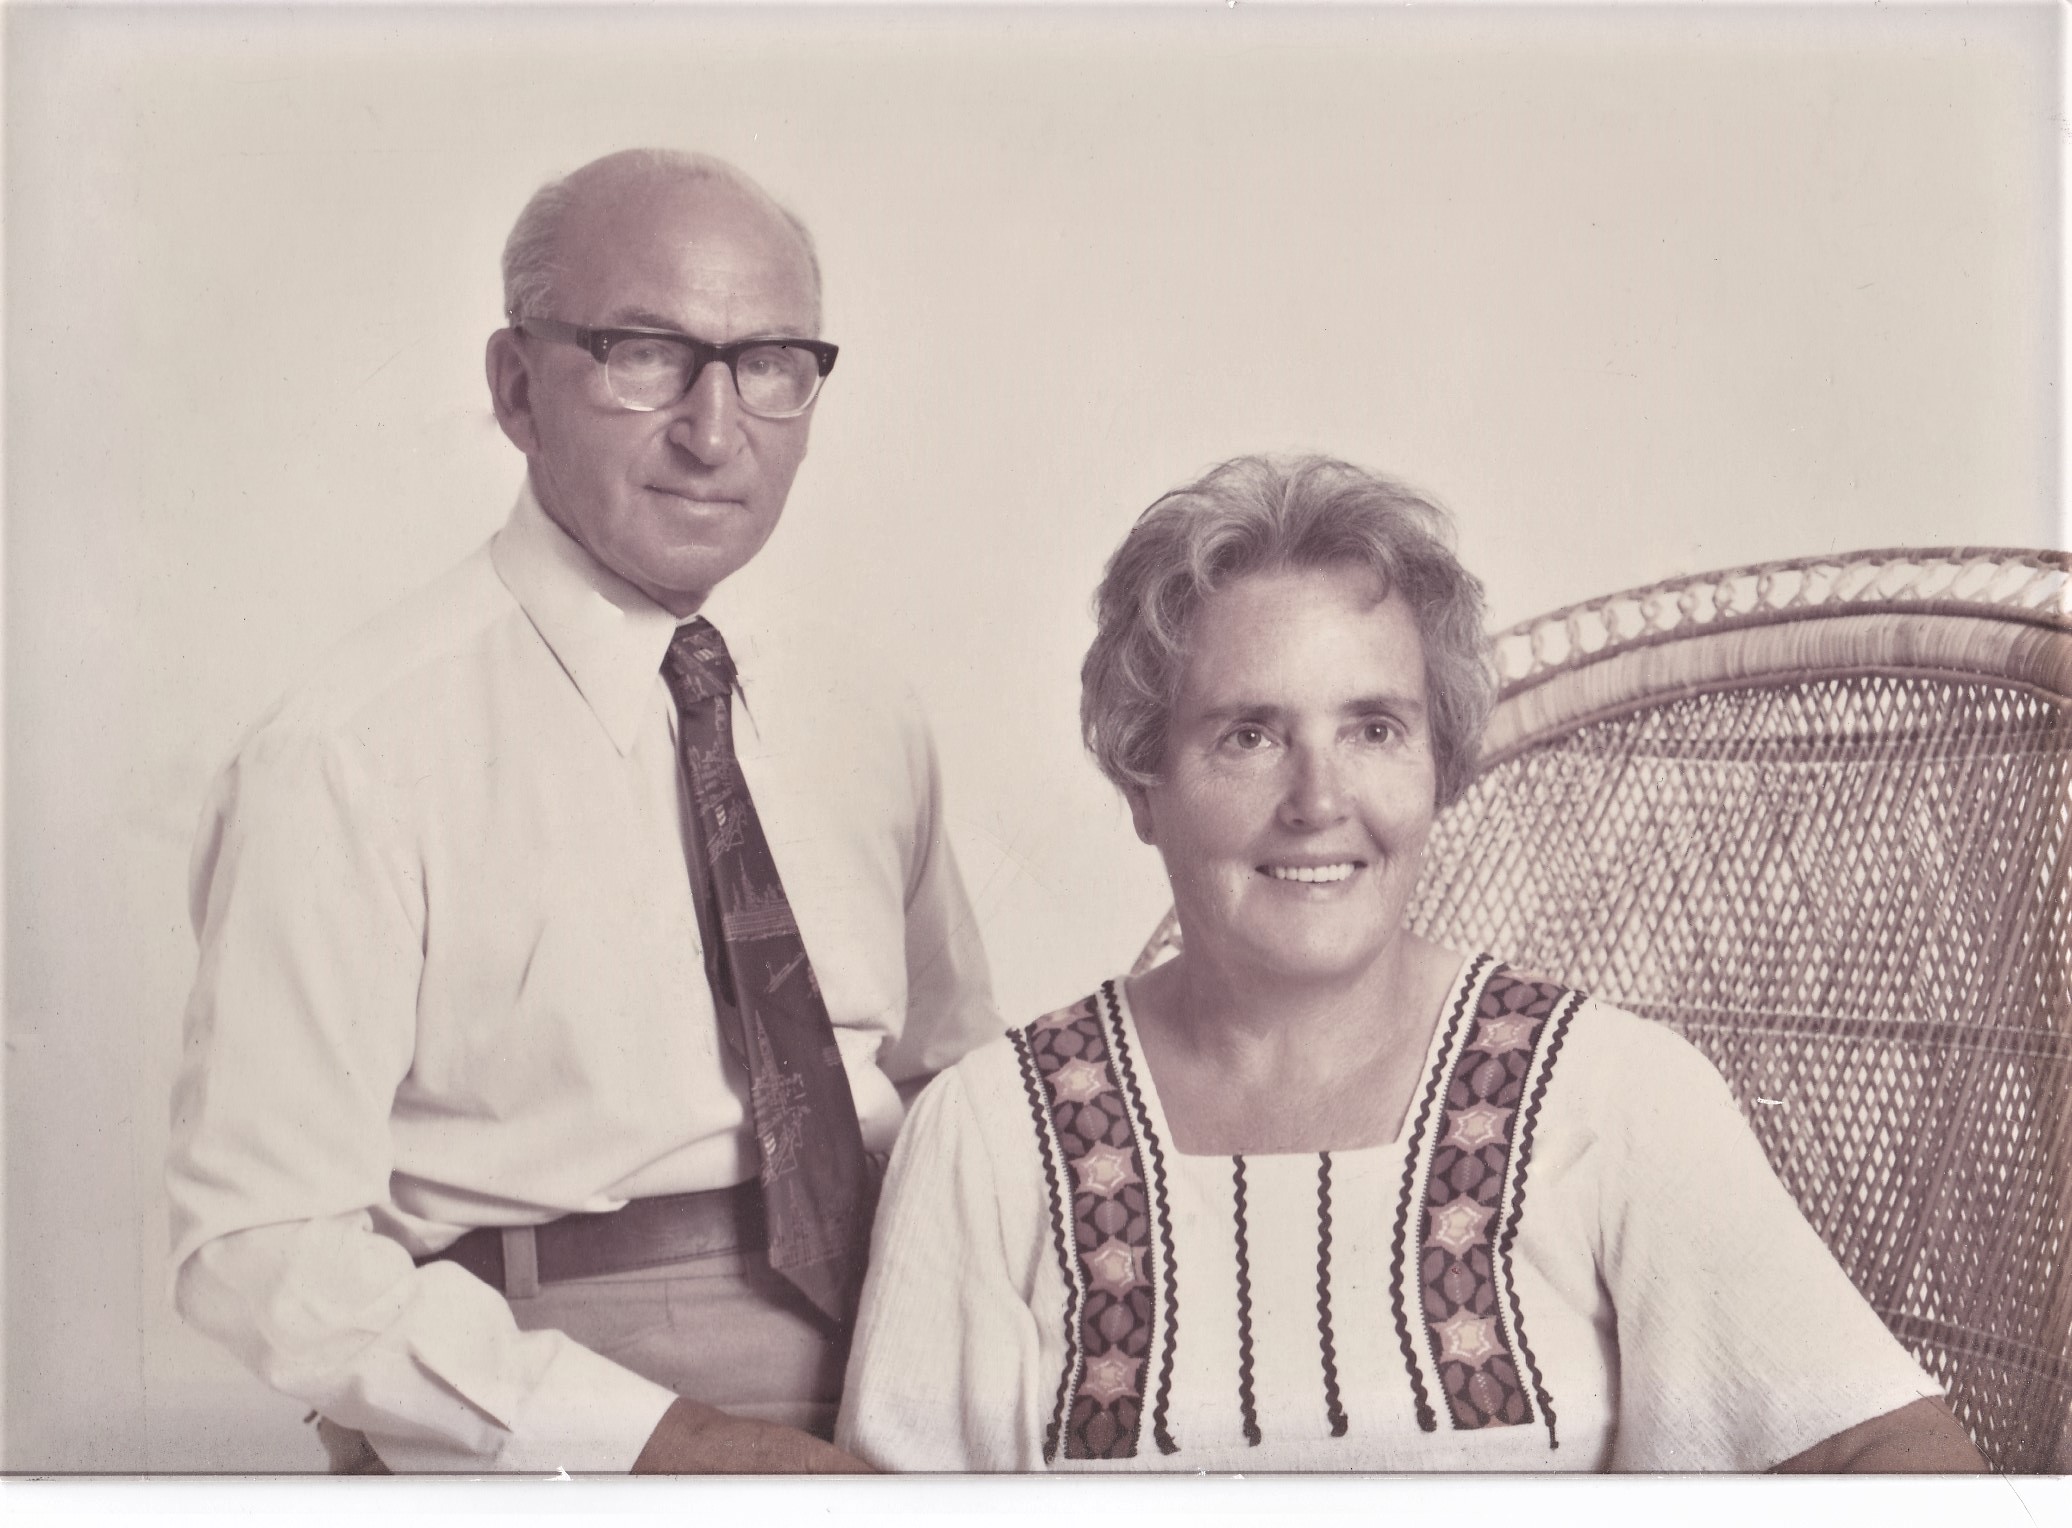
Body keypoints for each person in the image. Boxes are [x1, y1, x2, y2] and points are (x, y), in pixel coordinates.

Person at [836, 453, 1986, 1472]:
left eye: (1373, 729)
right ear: (1144, 780)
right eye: (1248, 734)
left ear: (1438, 765)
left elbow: (1882, 1448)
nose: (1318, 800)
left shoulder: (1612, 1093)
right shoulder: (988, 1134)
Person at [166, 148, 998, 1474]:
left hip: (906, 1357)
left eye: (770, 363)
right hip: (557, 1404)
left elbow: (955, 1091)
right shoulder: (345, 754)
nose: (714, 433)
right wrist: (667, 1446)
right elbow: (259, 1245)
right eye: (644, 355)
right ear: (516, 387)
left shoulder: (866, 712)